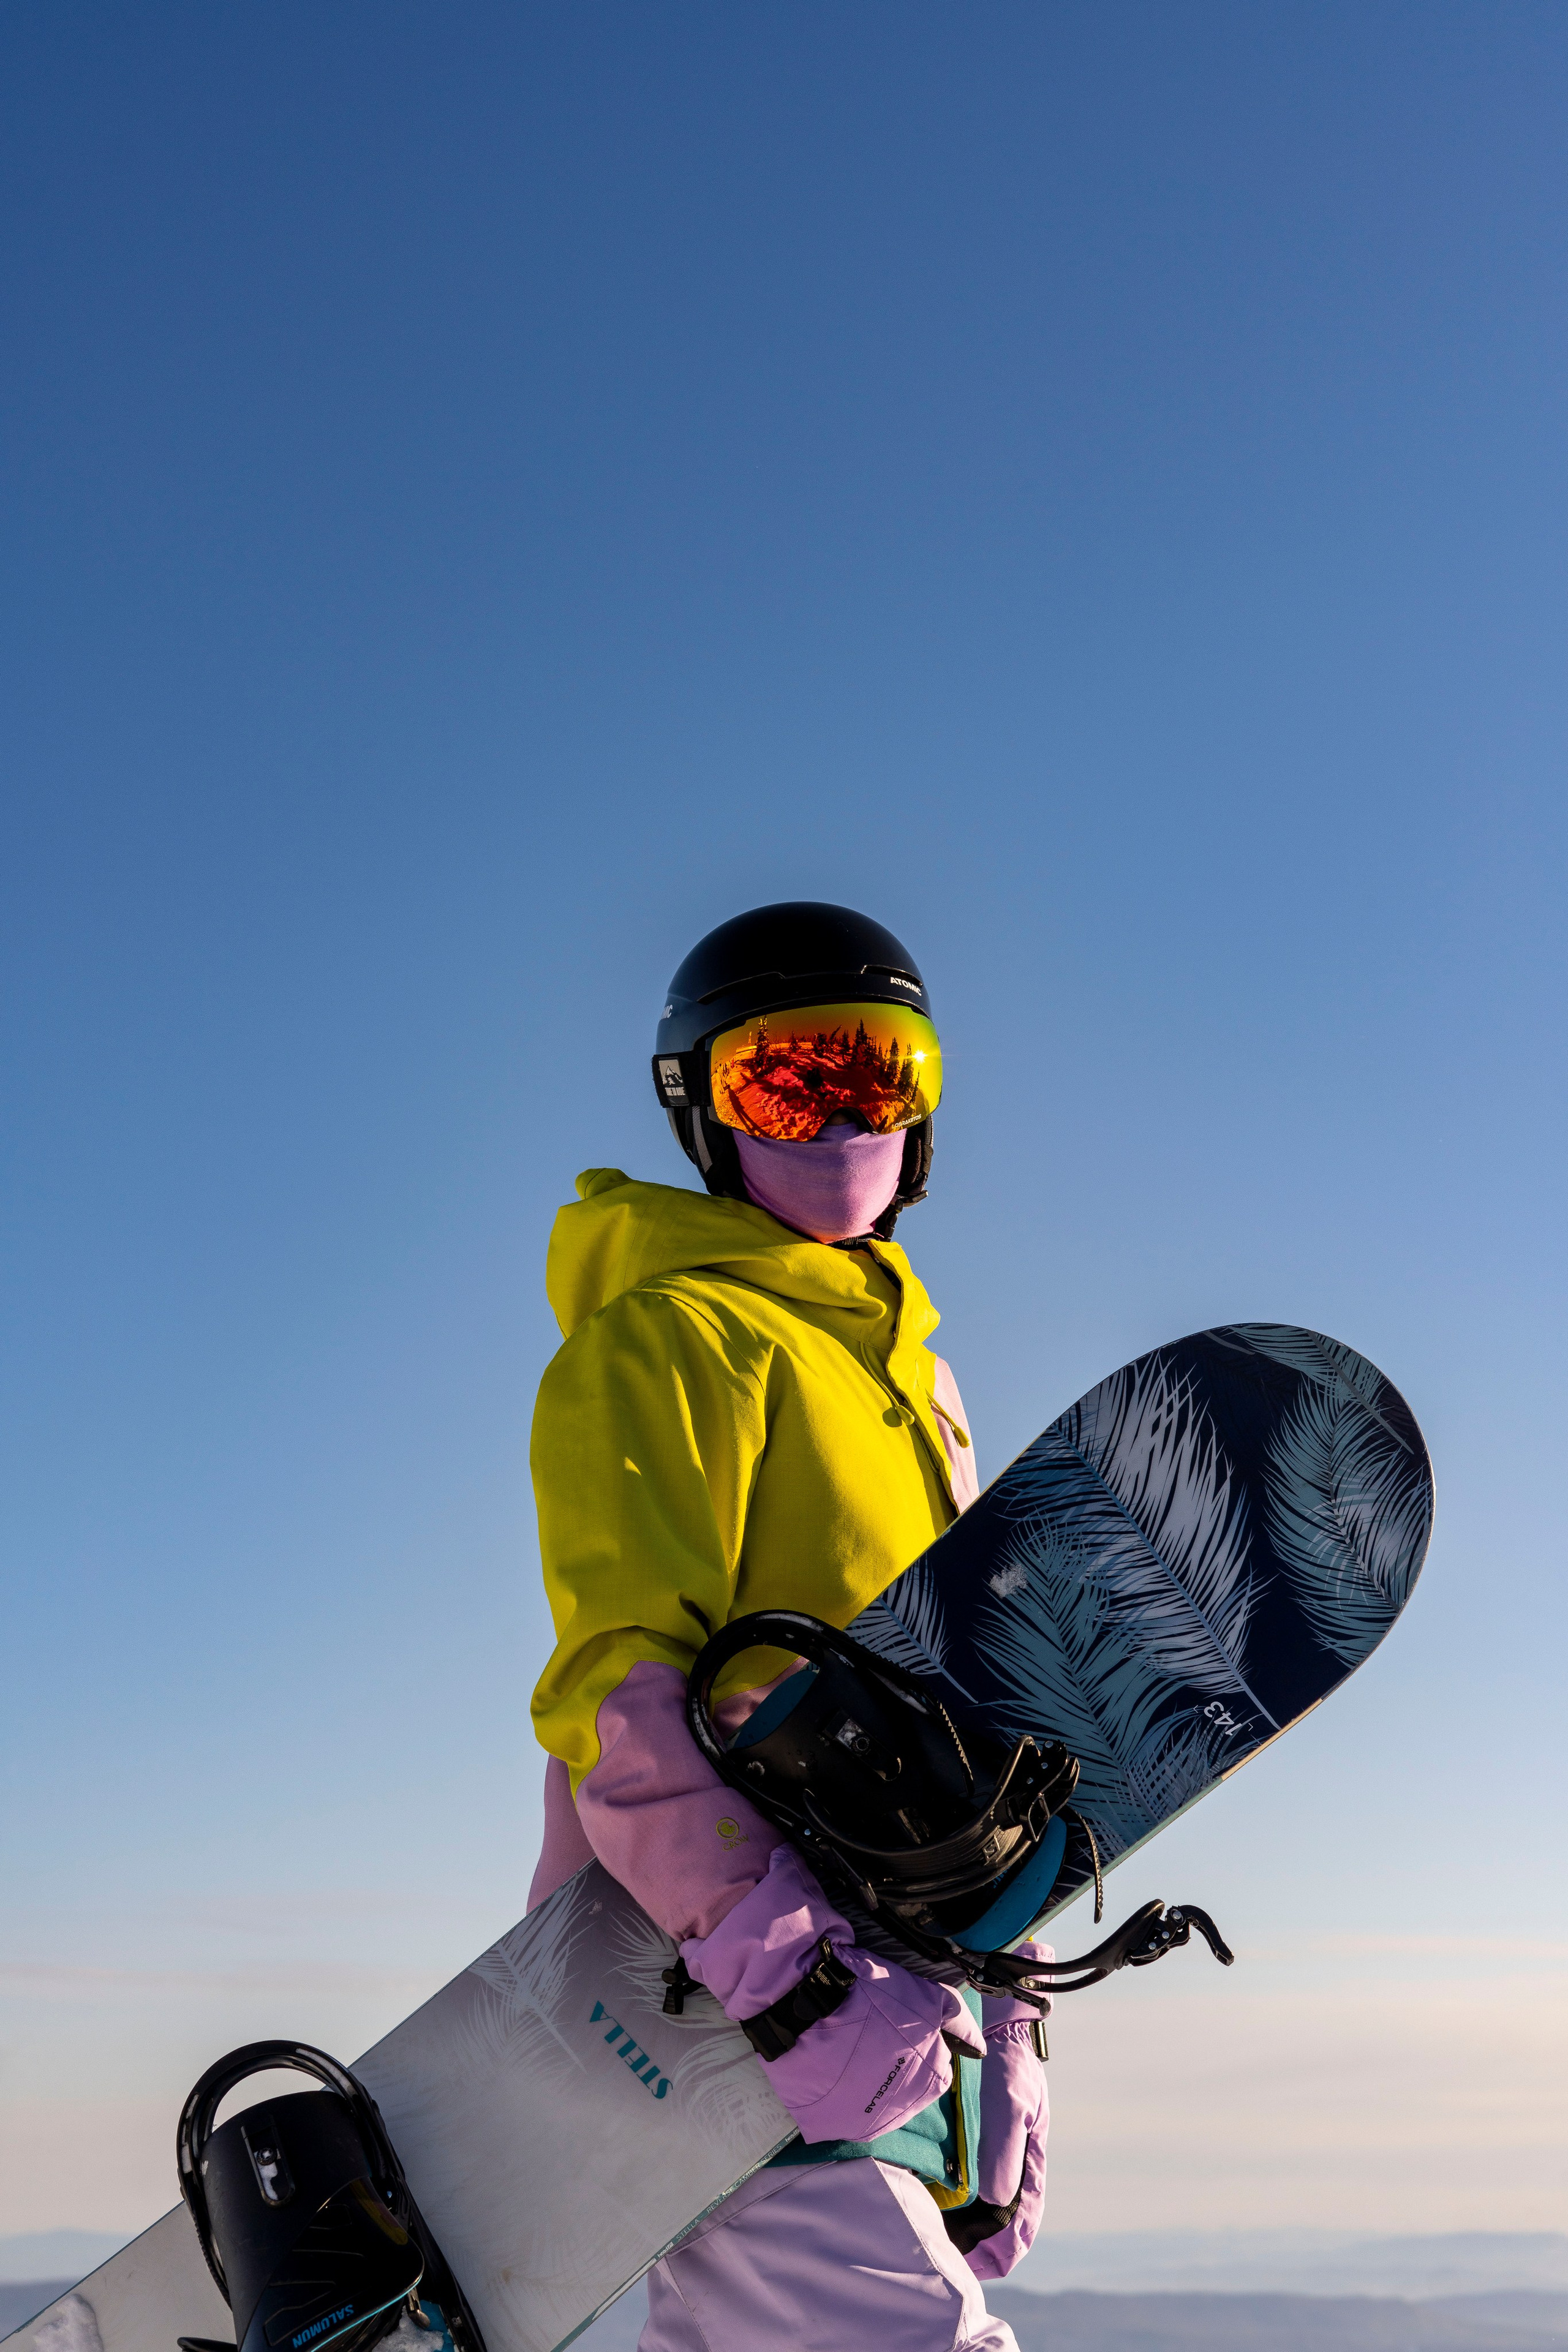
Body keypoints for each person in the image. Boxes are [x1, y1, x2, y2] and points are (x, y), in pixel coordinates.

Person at [526, 902, 1050, 2352]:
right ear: (705, 1113)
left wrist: (1001, 2039)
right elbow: (613, 1694)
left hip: (889, 1996)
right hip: (717, 2001)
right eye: (786, 1084)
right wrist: (785, 1984)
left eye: (874, 1078)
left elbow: (969, 1739)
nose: (838, 1121)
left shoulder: (917, 1392)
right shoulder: (670, 1338)